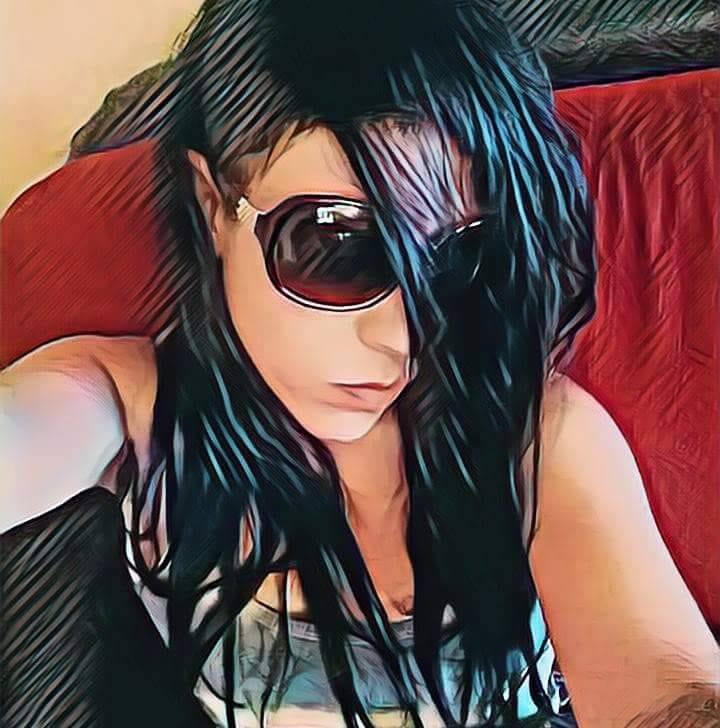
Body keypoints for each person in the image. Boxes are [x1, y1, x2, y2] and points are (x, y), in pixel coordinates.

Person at [1, 1, 718, 726]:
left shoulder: (531, 439)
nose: (403, 335)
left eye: (458, 255)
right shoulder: (135, 411)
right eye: (336, 247)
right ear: (215, 205)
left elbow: (665, 686)